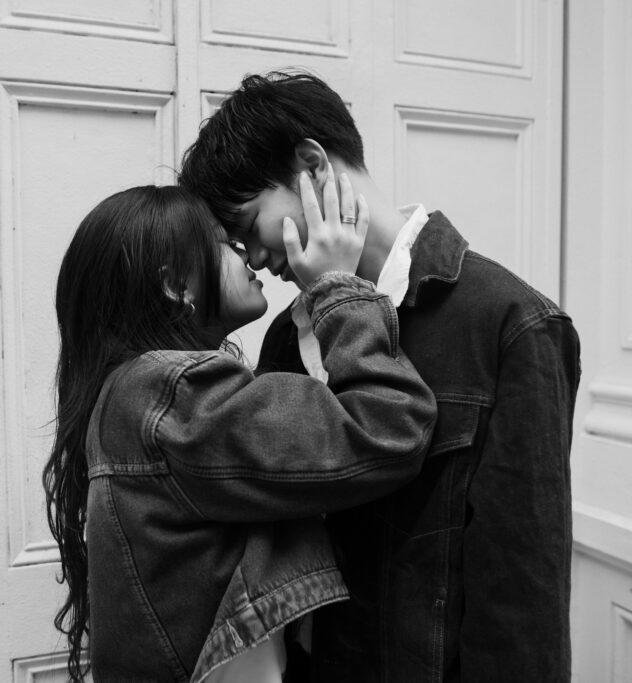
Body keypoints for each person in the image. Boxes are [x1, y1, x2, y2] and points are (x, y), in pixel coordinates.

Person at [179, 71, 581, 681]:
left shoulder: (510, 322)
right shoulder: (289, 335)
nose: (254, 258)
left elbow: (522, 595)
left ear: (312, 166)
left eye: (249, 224)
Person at [44, 181, 436, 682]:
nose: (249, 256)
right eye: (226, 243)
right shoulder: (174, 394)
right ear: (176, 286)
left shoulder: (138, 393)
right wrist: (337, 285)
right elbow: (389, 425)